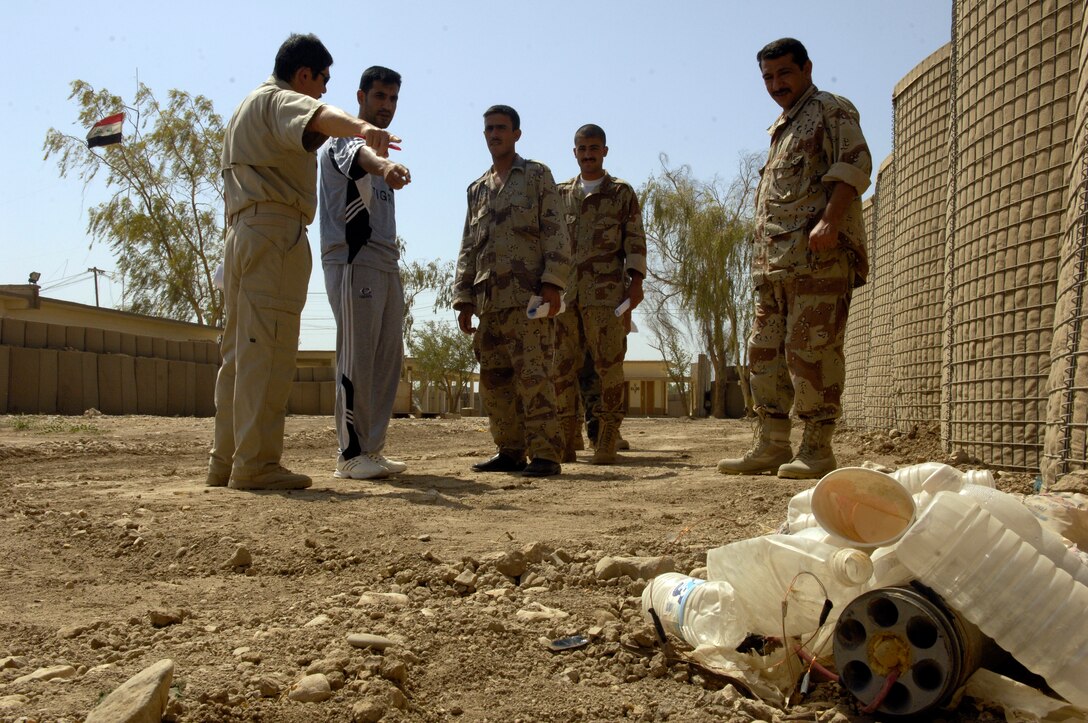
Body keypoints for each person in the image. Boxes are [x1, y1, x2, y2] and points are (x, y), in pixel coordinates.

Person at [208, 33, 395, 492]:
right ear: (303, 74)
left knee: (239, 355)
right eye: (322, 79)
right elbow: (320, 116)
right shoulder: (280, 99)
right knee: (267, 353)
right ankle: (256, 463)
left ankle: (225, 462)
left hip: (242, 232)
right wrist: (360, 128)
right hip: (273, 233)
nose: (324, 89)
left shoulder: (245, 107)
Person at [718, 37, 871, 480]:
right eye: (768, 77)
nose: (776, 84)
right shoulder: (782, 128)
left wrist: (830, 221)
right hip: (774, 267)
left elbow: (855, 162)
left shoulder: (829, 108)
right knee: (763, 355)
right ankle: (771, 445)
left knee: (812, 353)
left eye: (784, 73)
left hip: (817, 261)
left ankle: (818, 449)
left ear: (806, 68)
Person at [453, 105, 570, 477]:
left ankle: (546, 455)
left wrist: (553, 283)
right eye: (489, 128)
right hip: (489, 301)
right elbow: (469, 245)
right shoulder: (477, 190)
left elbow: (555, 231)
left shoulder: (536, 175)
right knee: (495, 380)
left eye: (501, 128)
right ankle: (509, 450)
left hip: (528, 298)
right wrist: (463, 297)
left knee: (534, 376)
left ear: (517, 133)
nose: (494, 134)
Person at [318, 66, 412, 481]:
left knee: (387, 360)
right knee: (356, 359)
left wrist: (386, 165)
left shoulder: (384, 149)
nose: (386, 105)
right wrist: (385, 167)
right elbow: (360, 156)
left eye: (392, 99)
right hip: (354, 263)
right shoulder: (345, 138)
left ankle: (372, 448)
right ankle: (349, 453)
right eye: (379, 97)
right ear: (361, 96)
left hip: (386, 264)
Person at [554, 125, 646, 464]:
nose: (588, 154)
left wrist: (635, 283)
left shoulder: (621, 193)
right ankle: (566, 437)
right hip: (566, 295)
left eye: (595, 148)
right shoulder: (560, 193)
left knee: (610, 366)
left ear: (605, 151)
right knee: (562, 367)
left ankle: (607, 436)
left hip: (606, 295)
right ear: (574, 152)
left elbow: (635, 240)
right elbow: (549, 242)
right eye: (583, 148)